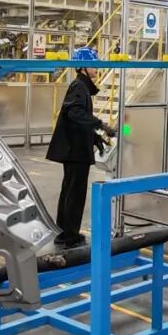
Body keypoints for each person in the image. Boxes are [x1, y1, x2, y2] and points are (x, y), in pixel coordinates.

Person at [46, 47, 116, 248]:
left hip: (74, 149)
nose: (97, 67)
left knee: (70, 191)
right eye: (93, 64)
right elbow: (74, 113)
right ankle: (69, 236)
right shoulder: (79, 87)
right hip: (75, 151)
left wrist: (95, 138)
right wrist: (101, 125)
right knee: (75, 194)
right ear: (83, 66)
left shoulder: (82, 86)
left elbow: (78, 119)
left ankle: (65, 232)